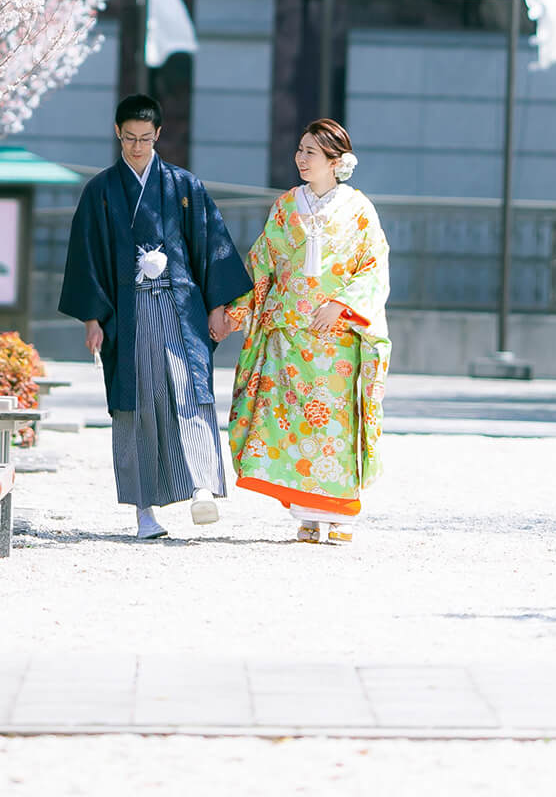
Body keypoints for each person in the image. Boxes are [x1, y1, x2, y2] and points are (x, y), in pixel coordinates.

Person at [58, 93, 252, 540]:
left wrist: (218, 307)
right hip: (127, 311)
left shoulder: (183, 187)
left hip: (179, 305)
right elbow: (86, 258)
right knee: (138, 403)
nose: (138, 147)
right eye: (129, 138)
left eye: (146, 138)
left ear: (159, 135)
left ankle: (202, 485)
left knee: (190, 391)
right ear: (117, 133)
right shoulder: (102, 191)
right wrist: (91, 318)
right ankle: (145, 512)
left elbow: (211, 245)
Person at [219, 119, 390, 545]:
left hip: (337, 337)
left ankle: (340, 513)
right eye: (300, 149)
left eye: (310, 151)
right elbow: (262, 262)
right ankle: (308, 514)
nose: (301, 157)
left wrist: (341, 305)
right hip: (289, 335)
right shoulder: (285, 206)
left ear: (336, 161)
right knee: (292, 423)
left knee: (333, 424)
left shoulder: (359, 209)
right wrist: (234, 312)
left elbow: (374, 265)